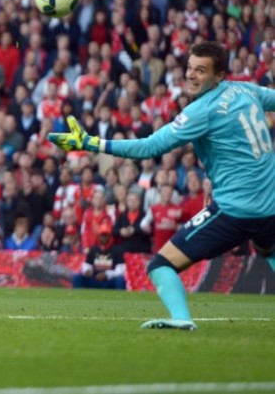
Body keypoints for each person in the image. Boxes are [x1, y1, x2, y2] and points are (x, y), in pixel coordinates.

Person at [49, 41, 275, 330]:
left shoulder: (202, 111)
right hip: (270, 205)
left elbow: (149, 147)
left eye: (200, 70)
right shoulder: (248, 89)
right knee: (267, 247)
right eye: (190, 68)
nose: (191, 75)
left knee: (160, 266)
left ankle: (181, 320)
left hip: (237, 210)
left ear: (219, 75)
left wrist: (90, 143)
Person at [72, 221, 126, 290]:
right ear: (98, 236)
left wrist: (106, 275)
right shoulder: (93, 249)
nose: (104, 237)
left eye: (106, 235)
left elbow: (121, 270)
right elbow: (86, 265)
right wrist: (87, 271)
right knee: (77, 277)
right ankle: (78, 297)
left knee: (120, 279)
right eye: (102, 235)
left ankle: (120, 299)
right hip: (95, 279)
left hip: (109, 280)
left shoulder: (117, 250)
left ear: (110, 236)